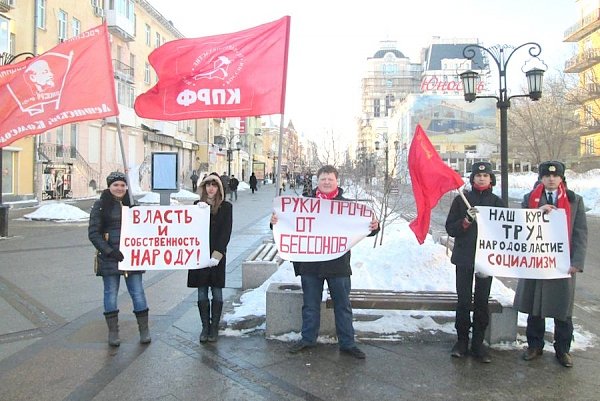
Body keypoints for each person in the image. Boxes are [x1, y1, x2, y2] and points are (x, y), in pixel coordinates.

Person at [270, 165, 380, 359]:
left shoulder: (347, 208)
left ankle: (347, 343)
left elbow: (364, 229)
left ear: (337, 181)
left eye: (330, 179)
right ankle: (307, 339)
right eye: (323, 179)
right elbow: (286, 225)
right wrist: (274, 221)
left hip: (338, 265)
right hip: (311, 264)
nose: (327, 182)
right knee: (310, 304)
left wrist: (373, 227)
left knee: (343, 305)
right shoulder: (304, 204)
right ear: (317, 181)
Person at [514, 161, 588, 368]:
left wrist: (577, 262)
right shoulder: (530, 199)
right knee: (536, 306)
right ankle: (534, 345)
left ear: (562, 178)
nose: (551, 179)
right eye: (547, 176)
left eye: (555, 176)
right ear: (541, 178)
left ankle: (563, 349)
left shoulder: (574, 200)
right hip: (537, 262)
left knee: (562, 308)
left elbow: (580, 233)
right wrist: (537, 212)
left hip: (563, 264)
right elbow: (520, 225)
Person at [445, 161, 504, 363]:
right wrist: (466, 221)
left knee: (481, 301)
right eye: (478, 176)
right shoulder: (462, 200)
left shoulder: (497, 202)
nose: (481, 178)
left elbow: (506, 230)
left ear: (491, 179)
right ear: (472, 179)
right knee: (463, 301)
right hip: (464, 257)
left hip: (486, 260)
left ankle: (478, 344)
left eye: (485, 175)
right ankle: (461, 341)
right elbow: (450, 229)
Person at [88, 171, 151, 347]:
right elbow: (94, 233)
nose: (120, 188)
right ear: (109, 186)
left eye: (123, 185)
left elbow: (146, 228)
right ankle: (113, 332)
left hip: (132, 257)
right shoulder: (100, 206)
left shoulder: (132, 205)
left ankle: (144, 330)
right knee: (110, 294)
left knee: (138, 292)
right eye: (116, 185)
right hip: (110, 257)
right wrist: (109, 251)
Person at [188, 173, 233, 343]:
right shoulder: (196, 206)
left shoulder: (226, 207)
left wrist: (218, 254)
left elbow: (225, 232)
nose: (211, 188)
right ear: (204, 188)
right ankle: (204, 326)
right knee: (201, 293)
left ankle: (214, 327)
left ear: (219, 188)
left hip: (216, 257)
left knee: (217, 292)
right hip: (198, 255)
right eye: (208, 185)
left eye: (214, 185)